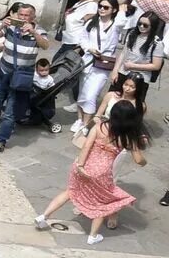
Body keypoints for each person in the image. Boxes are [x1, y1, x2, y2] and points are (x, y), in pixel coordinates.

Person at [37, 99, 147, 245]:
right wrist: (144, 160)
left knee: (70, 192)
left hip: (81, 165)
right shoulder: (127, 137)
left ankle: (43, 217)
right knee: (102, 203)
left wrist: (81, 165)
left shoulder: (100, 126)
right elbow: (139, 160)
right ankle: (93, 236)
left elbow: (87, 146)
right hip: (101, 172)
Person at [0, 2, 53, 153]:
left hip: (21, 77)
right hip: (2, 72)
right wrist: (1, 26)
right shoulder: (11, 27)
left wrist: (34, 33)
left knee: (10, 111)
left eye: (26, 15)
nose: (23, 18)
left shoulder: (40, 31)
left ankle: (1, 141)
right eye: (21, 15)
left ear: (33, 17)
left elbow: (45, 45)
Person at [74, 0, 123, 135]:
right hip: (88, 61)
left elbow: (125, 22)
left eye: (106, 7)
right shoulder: (92, 22)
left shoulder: (117, 25)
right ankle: (79, 119)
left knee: (91, 94)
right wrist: (89, 48)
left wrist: (123, 9)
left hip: (103, 64)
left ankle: (85, 124)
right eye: (100, 6)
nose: (102, 9)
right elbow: (82, 38)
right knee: (82, 91)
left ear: (113, 10)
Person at [121, 10, 164, 85]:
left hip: (140, 78)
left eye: (145, 25)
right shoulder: (132, 34)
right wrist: (115, 71)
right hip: (122, 72)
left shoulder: (157, 43)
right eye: (139, 23)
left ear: (153, 26)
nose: (141, 26)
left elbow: (156, 66)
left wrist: (133, 66)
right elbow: (123, 53)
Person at [25, 58, 64, 134]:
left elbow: (52, 89)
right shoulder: (34, 75)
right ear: (36, 70)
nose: (44, 73)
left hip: (41, 95)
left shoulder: (49, 79)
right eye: (41, 71)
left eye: (46, 70)